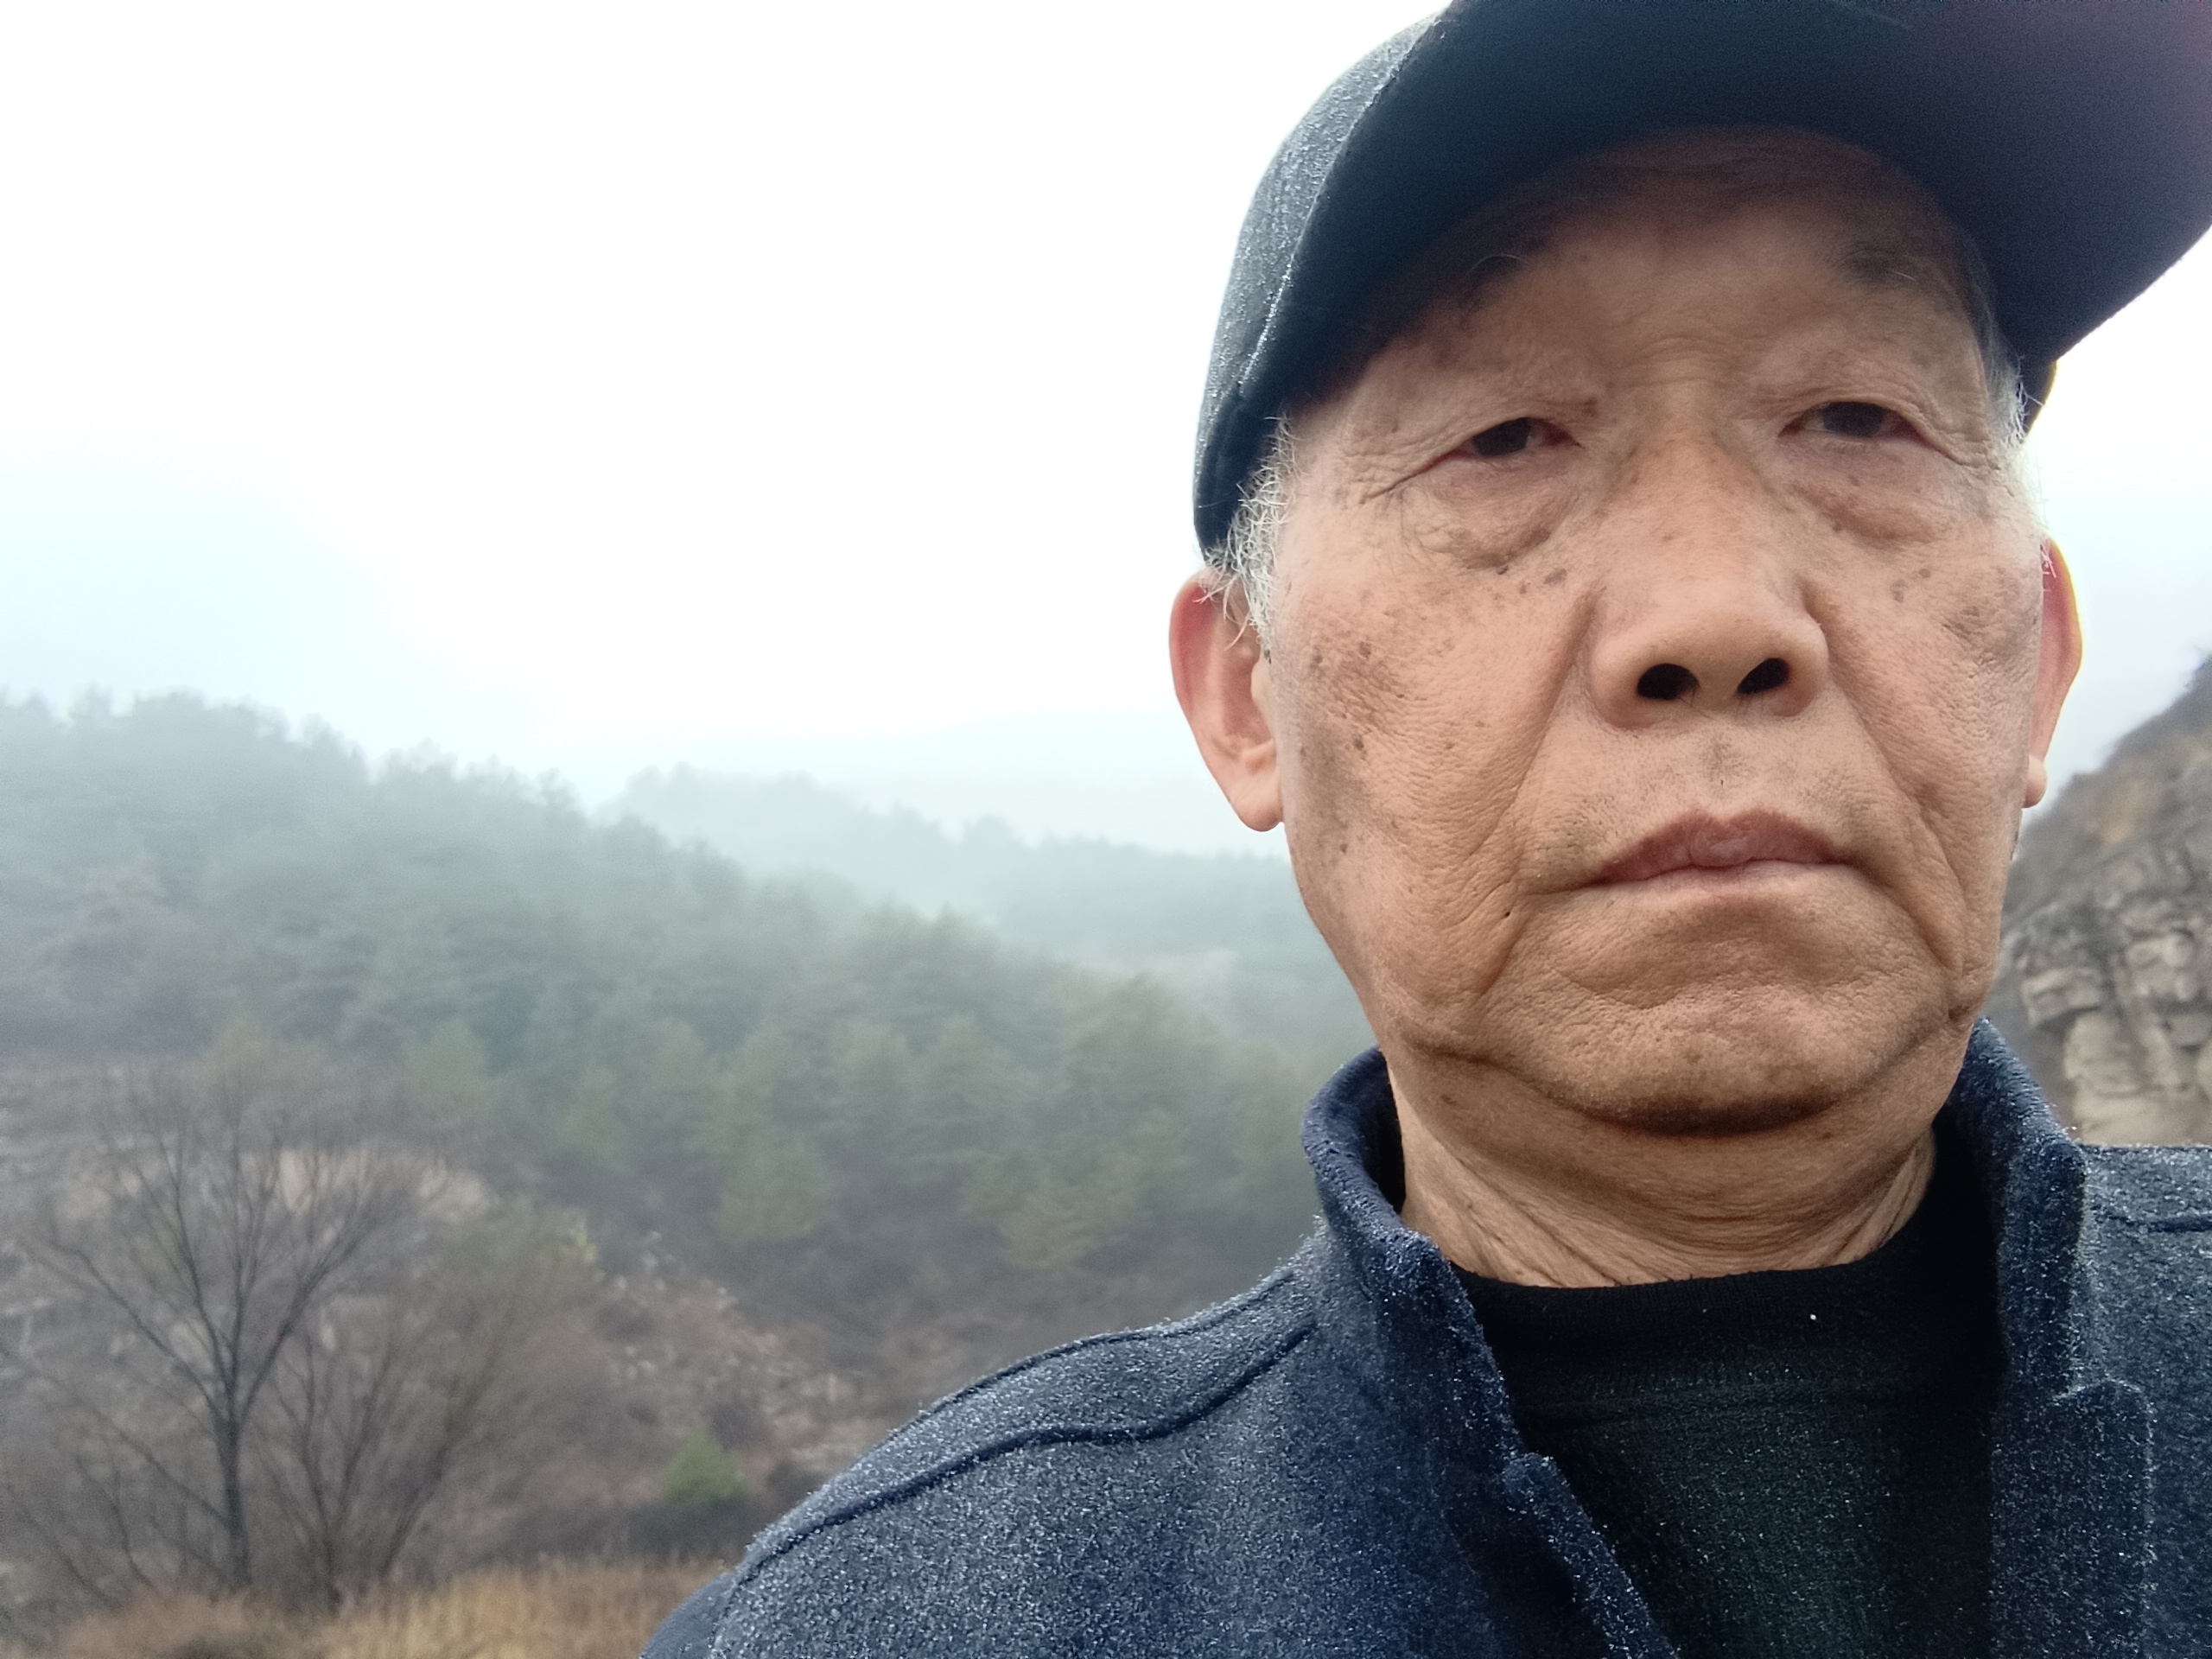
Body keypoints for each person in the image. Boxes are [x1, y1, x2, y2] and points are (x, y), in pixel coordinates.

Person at [645, 3, 2212, 1655]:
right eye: (1505, 439)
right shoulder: (891, 1621)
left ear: (2042, 660)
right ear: (1246, 696)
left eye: (1859, 418)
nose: (1714, 614)